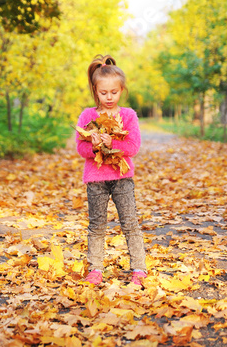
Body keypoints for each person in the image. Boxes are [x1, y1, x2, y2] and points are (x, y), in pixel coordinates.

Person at [75, 54, 147, 286]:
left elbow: (133, 147)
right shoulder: (88, 115)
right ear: (95, 90)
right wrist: (94, 146)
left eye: (113, 92)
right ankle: (95, 269)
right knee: (96, 225)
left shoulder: (128, 116)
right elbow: (80, 147)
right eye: (103, 92)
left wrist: (112, 144)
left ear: (121, 90)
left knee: (129, 222)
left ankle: (138, 268)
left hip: (122, 178)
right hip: (95, 179)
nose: (108, 97)